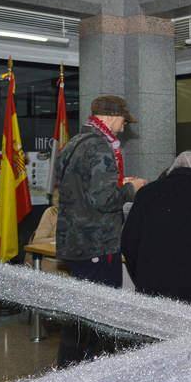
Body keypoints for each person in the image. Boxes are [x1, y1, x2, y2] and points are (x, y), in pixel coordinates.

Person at [54, 95, 147, 365]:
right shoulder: (99, 147)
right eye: (123, 121)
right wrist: (133, 188)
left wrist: (118, 182)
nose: (124, 127)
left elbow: (83, 190)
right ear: (111, 116)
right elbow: (103, 200)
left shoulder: (75, 143)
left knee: (81, 312)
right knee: (100, 313)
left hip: (76, 242)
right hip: (97, 243)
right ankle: (96, 369)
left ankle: (69, 366)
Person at [121, 151, 191, 309]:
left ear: (173, 168)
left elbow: (129, 242)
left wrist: (141, 274)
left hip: (152, 288)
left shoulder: (147, 194)